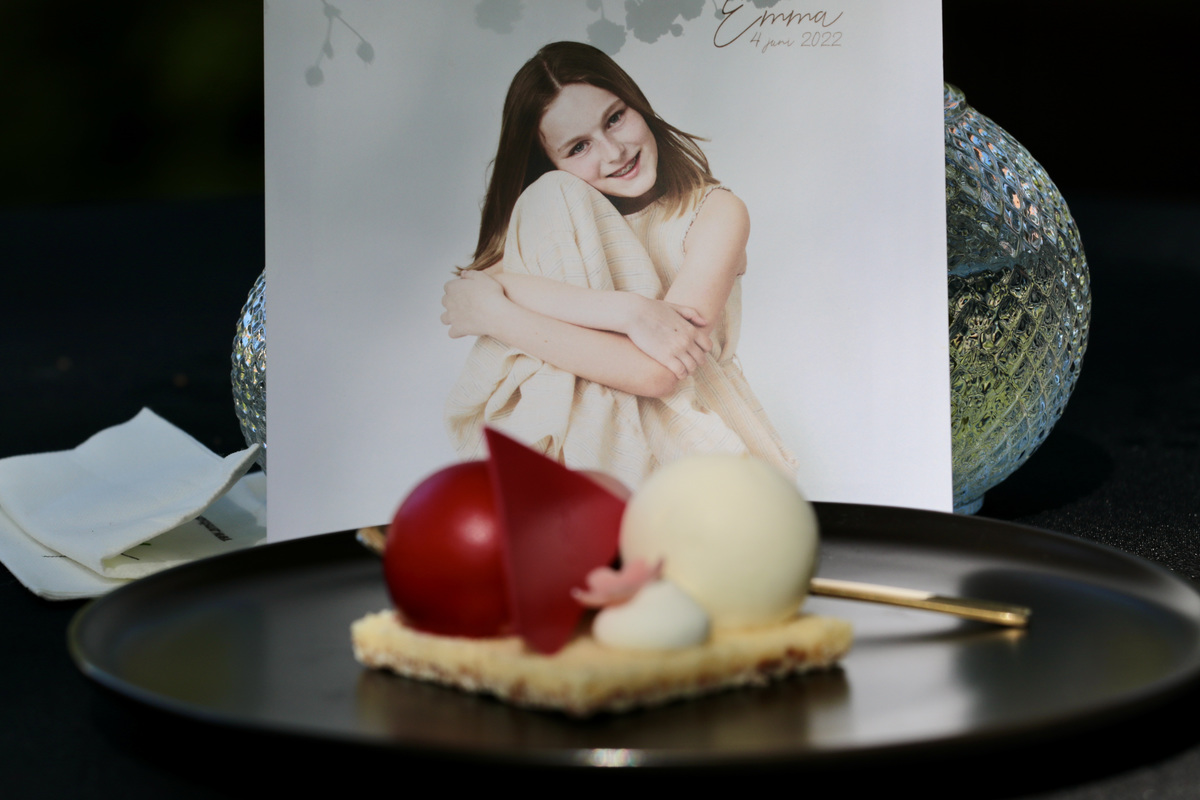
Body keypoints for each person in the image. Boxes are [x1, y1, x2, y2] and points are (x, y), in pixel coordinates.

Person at [441, 41, 796, 488]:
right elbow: (466, 292)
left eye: (614, 118)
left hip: (698, 446)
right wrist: (629, 312)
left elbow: (659, 373)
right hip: (594, 452)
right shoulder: (556, 218)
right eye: (578, 147)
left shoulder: (714, 212)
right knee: (549, 196)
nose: (613, 152)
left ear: (636, 102)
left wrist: (496, 314)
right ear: (549, 162)